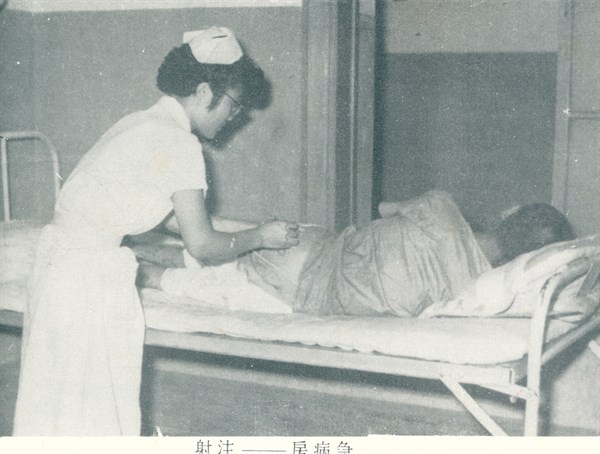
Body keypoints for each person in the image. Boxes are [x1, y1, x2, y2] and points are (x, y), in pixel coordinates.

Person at [13, 27, 299, 436]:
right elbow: (202, 246)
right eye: (234, 106)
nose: (233, 117)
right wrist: (259, 237)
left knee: (56, 413)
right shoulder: (181, 144)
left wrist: (229, 230)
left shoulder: (138, 123)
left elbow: (157, 211)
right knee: (95, 417)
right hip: (87, 282)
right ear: (204, 92)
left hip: (58, 269)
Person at [135, 191, 575, 317]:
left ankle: (128, 242)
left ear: (508, 213)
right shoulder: (472, 295)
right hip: (300, 292)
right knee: (175, 281)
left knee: (210, 249)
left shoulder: (442, 208)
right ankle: (131, 260)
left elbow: (383, 208)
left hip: (308, 243)